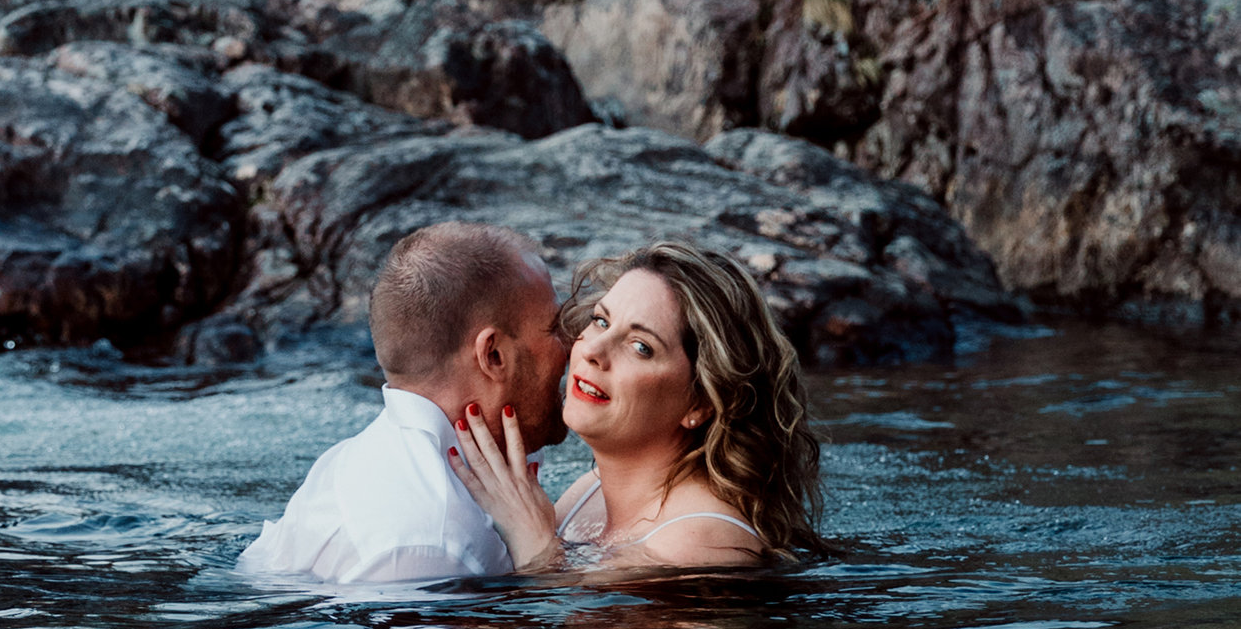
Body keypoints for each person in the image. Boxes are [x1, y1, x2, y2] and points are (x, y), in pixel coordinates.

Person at [447, 239, 824, 574]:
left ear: (702, 402)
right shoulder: (588, 492)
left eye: (641, 346)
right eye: (600, 320)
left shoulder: (701, 543)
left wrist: (537, 550)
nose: (592, 351)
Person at [236, 221, 570, 591]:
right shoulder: (432, 542)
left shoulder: (353, 462)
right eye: (556, 328)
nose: (576, 344)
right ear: (493, 355)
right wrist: (544, 567)